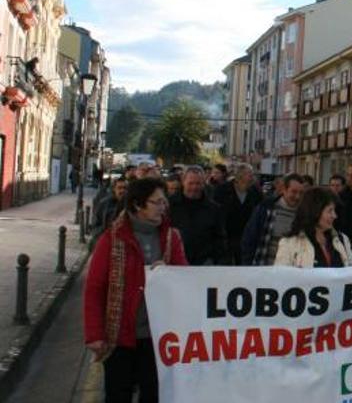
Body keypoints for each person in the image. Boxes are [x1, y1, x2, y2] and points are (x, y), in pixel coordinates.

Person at [83, 177, 188, 403]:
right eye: (157, 202)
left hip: (158, 338)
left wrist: (170, 272)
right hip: (120, 337)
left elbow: (185, 279)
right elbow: (94, 288)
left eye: (164, 202)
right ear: (138, 205)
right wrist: (94, 334)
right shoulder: (112, 238)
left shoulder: (172, 238)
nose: (163, 207)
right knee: (118, 394)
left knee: (153, 395)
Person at [274, 187, 352, 268]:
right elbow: (281, 278)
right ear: (315, 211)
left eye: (334, 210)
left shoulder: (342, 240)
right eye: (330, 211)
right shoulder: (289, 243)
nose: (334, 216)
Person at [241, 173, 306, 265]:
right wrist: (247, 264)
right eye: (294, 192)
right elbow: (249, 238)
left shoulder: (304, 214)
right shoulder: (266, 208)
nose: (297, 197)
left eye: (301, 193)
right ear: (284, 190)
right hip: (264, 267)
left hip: (291, 272)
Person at [168, 166, 227, 265]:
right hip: (175, 262)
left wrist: (215, 259)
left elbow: (220, 238)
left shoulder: (214, 209)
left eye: (198, 183)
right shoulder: (169, 206)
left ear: (203, 184)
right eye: (191, 183)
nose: (194, 187)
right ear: (183, 182)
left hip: (204, 263)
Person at [214, 163, 262, 265]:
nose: (252, 178)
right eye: (250, 175)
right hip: (227, 237)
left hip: (247, 237)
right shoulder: (222, 190)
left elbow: (260, 210)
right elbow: (217, 212)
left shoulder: (255, 191)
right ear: (240, 176)